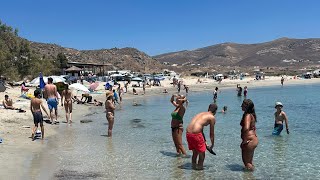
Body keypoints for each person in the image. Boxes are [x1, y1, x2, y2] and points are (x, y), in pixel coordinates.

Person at [186, 103, 217, 170]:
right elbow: (211, 133)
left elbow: (201, 129)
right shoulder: (212, 117)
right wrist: (212, 145)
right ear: (215, 111)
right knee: (202, 155)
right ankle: (200, 172)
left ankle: (193, 169)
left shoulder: (201, 114)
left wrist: (205, 142)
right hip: (196, 134)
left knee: (195, 153)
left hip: (188, 133)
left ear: (208, 109)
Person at [240, 99, 258, 171]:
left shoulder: (247, 115)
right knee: (249, 162)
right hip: (252, 139)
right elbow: (253, 128)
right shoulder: (252, 115)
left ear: (246, 106)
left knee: (247, 163)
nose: (241, 106)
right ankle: (250, 176)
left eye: (243, 104)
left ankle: (249, 176)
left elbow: (247, 128)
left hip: (248, 140)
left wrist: (244, 140)